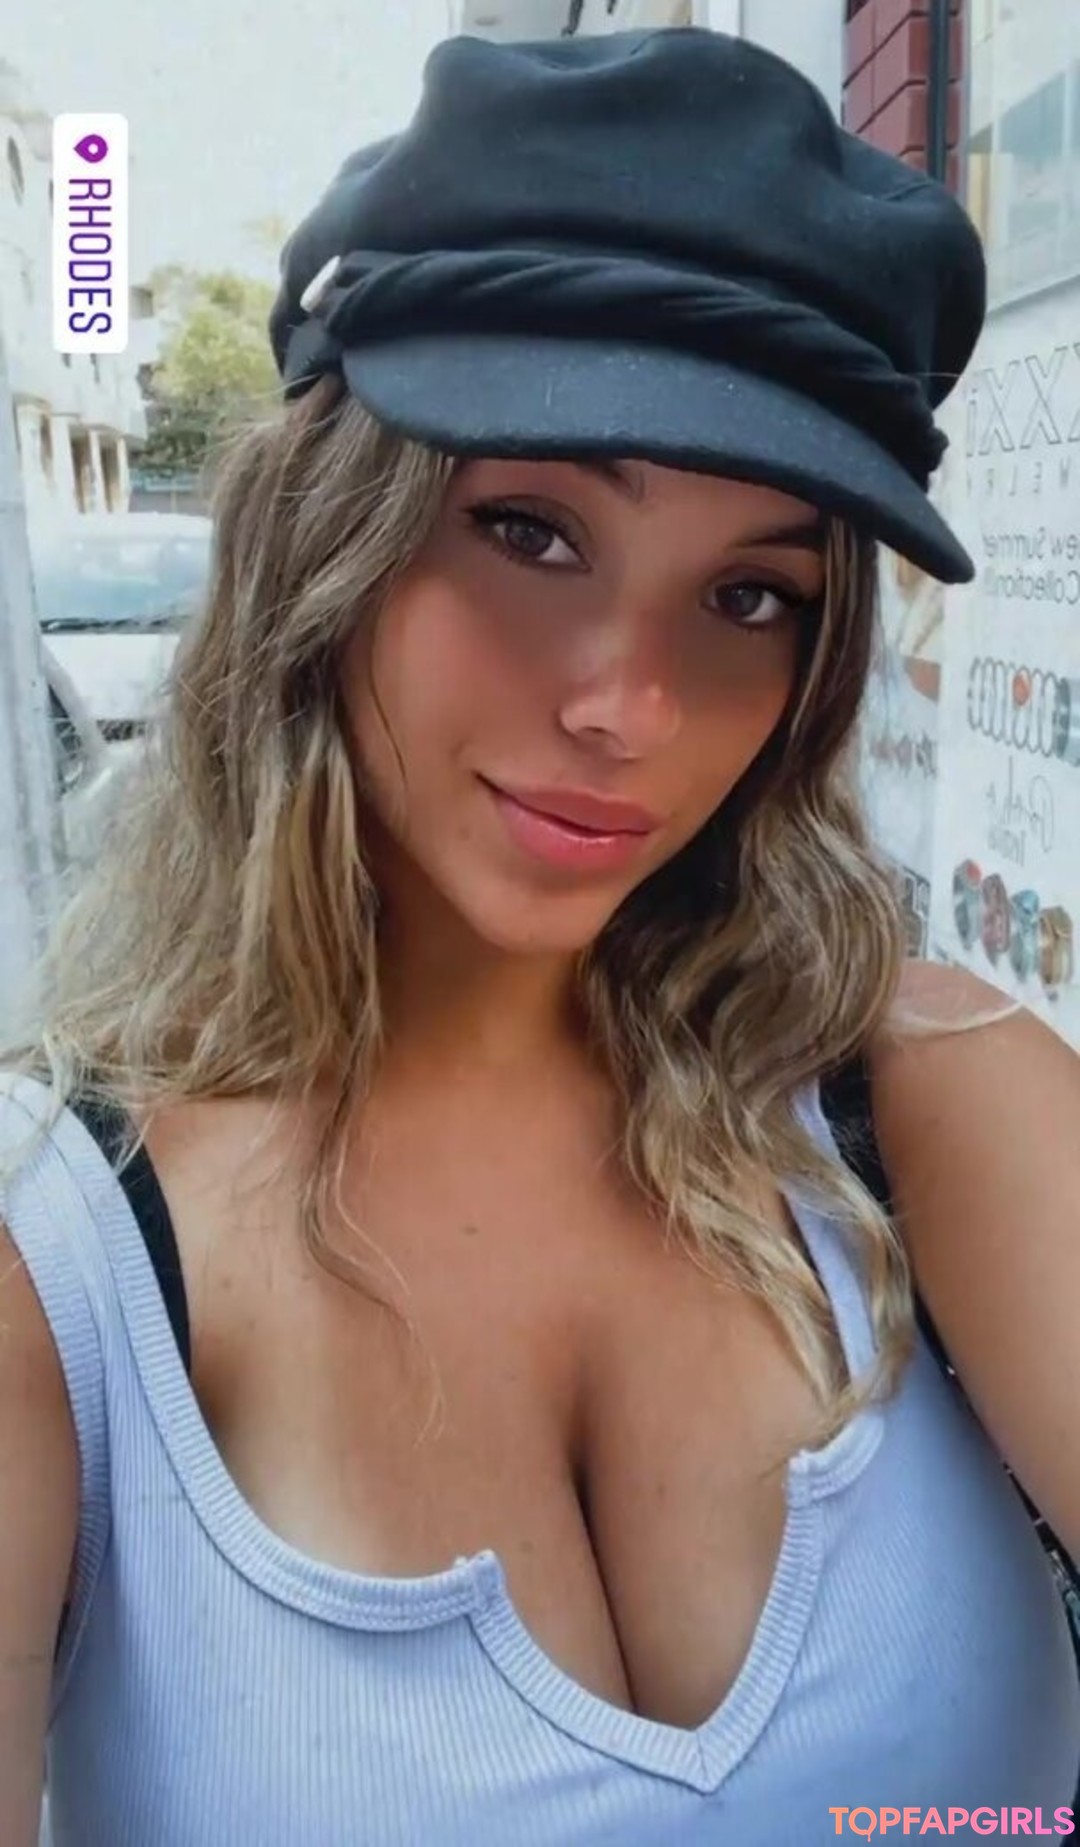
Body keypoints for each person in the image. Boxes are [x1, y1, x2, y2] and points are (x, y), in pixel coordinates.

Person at [2, 27, 1078, 1847]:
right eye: (530, 530)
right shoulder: (66, 1271)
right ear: (323, 546)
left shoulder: (932, 1102)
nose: (631, 708)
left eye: (751, 594)